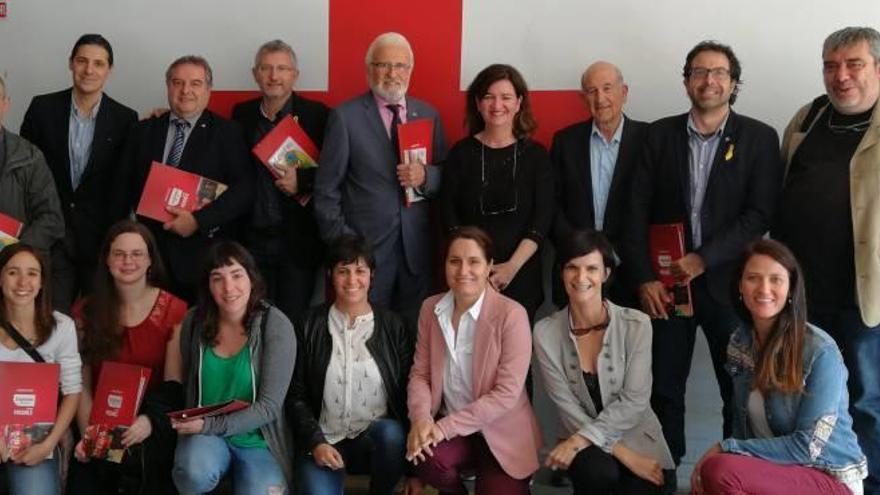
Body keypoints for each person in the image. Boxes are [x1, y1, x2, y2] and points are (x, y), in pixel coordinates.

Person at [622, 41, 784, 483]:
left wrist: (702, 258)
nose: (708, 80)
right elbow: (634, 211)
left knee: (738, 391)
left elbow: (759, 214)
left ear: (733, 83)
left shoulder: (759, 137)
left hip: (729, 289)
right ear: (686, 81)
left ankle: (732, 479)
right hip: (665, 289)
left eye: (718, 73)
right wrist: (641, 278)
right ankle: (665, 476)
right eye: (698, 72)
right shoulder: (658, 135)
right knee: (664, 389)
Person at [772, 26, 880, 494]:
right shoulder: (807, 118)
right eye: (831, 66)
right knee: (802, 399)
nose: (841, 76)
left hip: (864, 297)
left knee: (865, 400)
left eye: (853, 64)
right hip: (802, 297)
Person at [691, 239, 867, 495]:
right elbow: (742, 426)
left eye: (776, 279)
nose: (764, 288)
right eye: (753, 278)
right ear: (740, 286)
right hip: (770, 473)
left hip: (827, 477)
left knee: (720, 471)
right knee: (709, 480)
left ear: (791, 289)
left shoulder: (820, 351)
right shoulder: (740, 343)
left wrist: (726, 448)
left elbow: (807, 447)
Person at [314, 32, 447, 326]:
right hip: (364, 256)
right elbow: (325, 191)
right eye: (382, 65)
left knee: (416, 335)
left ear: (410, 70)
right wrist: (346, 248)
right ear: (368, 69)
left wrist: (427, 175)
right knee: (367, 337)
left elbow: (446, 175)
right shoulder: (345, 117)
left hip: (418, 252)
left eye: (400, 66)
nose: (391, 73)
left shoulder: (428, 114)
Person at [534, 230, 673, 494]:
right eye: (572, 268)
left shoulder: (637, 324)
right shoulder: (545, 332)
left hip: (637, 436)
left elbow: (635, 402)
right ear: (562, 273)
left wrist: (587, 441)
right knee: (596, 472)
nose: (581, 277)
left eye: (591, 268)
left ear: (606, 273)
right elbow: (566, 406)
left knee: (640, 487)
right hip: (583, 443)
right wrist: (621, 453)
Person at [406, 226, 541, 494]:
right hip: (454, 433)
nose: (463, 270)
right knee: (426, 457)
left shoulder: (512, 315)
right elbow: (420, 374)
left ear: (490, 265)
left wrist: (441, 428)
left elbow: (506, 394)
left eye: (474, 262)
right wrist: (421, 420)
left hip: (501, 433)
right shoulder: (430, 309)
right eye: (454, 261)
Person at [113, 55, 254, 303]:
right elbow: (121, 192)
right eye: (177, 82)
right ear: (168, 86)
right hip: (146, 261)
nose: (186, 90)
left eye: (196, 83)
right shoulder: (142, 130)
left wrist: (198, 221)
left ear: (209, 89)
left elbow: (244, 191)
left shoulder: (228, 133)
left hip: (201, 260)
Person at [287, 234, 414, 494]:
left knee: (391, 434)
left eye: (360, 271)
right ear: (331, 275)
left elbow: (407, 395)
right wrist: (315, 442)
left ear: (372, 275)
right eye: (343, 271)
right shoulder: (308, 324)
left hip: (373, 442)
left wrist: (413, 471)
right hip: (323, 441)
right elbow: (295, 395)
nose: (352, 280)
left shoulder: (394, 326)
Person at [67, 220, 187, 494]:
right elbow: (82, 384)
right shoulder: (85, 311)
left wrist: (149, 423)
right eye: (119, 254)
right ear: (107, 261)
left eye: (136, 254)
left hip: (151, 427)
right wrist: (91, 437)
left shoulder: (176, 311)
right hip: (98, 424)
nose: (127, 261)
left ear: (150, 261)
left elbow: (173, 386)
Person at [20, 34, 138, 311]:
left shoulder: (125, 119)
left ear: (109, 70)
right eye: (82, 61)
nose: (89, 70)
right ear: (71, 63)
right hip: (51, 236)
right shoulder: (42, 109)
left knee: (97, 324)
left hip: (99, 240)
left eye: (98, 63)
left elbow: (124, 182)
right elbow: (24, 172)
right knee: (47, 317)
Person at [170, 241, 295, 494]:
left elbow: (269, 408)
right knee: (193, 471)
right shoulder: (194, 322)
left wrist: (208, 425)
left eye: (237, 275)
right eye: (218, 278)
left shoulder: (275, 324)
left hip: (259, 440)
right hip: (206, 439)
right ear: (208, 285)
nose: (229, 288)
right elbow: (185, 383)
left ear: (252, 278)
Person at [441, 64, 553, 322]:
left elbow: (542, 218)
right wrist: (475, 270)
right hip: (469, 277)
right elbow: (449, 217)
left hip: (521, 274)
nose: (497, 105)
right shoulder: (460, 154)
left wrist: (511, 267)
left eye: (506, 97)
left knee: (515, 357)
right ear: (478, 104)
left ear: (519, 103)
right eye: (489, 97)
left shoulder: (536, 156)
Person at [231, 39, 330, 322]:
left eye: (282, 69)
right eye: (266, 68)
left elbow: (339, 171)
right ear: (255, 74)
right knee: (250, 321)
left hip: (297, 244)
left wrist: (304, 180)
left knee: (292, 324)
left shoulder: (318, 116)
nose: (274, 76)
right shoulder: (242, 115)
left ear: (294, 75)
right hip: (251, 241)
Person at [550, 61, 647, 309]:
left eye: (607, 88)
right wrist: (580, 252)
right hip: (576, 270)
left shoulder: (649, 140)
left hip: (632, 270)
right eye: (591, 91)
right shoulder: (565, 141)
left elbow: (655, 207)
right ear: (583, 98)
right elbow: (552, 205)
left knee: (628, 344)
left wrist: (619, 256)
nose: (600, 98)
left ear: (623, 92)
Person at [0, 243, 81, 495]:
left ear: (43, 281)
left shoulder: (62, 327)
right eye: (13, 272)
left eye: (32, 273)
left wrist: (48, 444)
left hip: (38, 437)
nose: (23, 281)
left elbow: (72, 391)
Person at [0, 75, 65, 256]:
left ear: (5, 104)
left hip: (16, 268)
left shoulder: (29, 156)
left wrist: (14, 252)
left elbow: (52, 220)